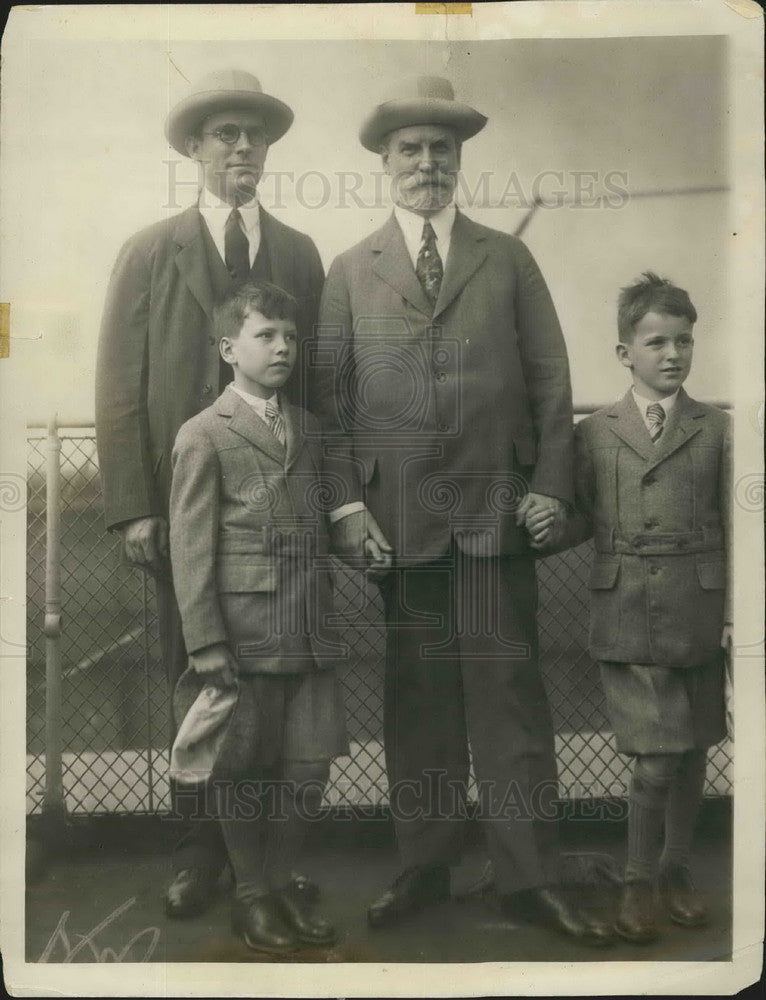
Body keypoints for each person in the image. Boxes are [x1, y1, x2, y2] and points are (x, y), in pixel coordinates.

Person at [309, 75, 611, 946]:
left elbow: (553, 381)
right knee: (419, 705)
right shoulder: (347, 272)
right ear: (385, 162)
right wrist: (343, 511)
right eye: (411, 149)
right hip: (399, 524)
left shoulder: (507, 259)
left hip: (496, 516)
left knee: (511, 702)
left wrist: (552, 483)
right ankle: (425, 867)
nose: (428, 163)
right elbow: (330, 409)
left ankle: (528, 877)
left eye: (443, 148)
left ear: (460, 159)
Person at [94, 69, 324, 917]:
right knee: (199, 675)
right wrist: (134, 504)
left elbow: (319, 381)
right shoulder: (152, 250)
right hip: (181, 510)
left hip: (274, 522)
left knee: (277, 692)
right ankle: (199, 852)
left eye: (253, 135)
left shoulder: (297, 252)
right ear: (194, 148)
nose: (240, 149)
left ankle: (263, 860)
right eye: (223, 133)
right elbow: (119, 384)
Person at [532, 272, 731, 944]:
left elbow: (738, 527)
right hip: (627, 612)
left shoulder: (717, 430)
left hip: (699, 613)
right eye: (656, 342)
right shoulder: (596, 433)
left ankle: (676, 869)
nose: (672, 354)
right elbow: (579, 517)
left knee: (694, 746)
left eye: (684, 341)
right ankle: (638, 879)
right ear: (625, 353)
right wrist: (543, 525)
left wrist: (733, 614)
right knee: (655, 758)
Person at [168, 281, 348, 953]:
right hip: (242, 632)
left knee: (307, 769)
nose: (281, 348)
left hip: (310, 626)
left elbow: (330, 519)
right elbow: (189, 545)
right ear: (228, 348)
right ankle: (251, 896)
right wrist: (206, 638)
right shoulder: (203, 435)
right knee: (242, 767)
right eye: (265, 334)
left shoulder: (311, 427)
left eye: (290, 337)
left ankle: (275, 884)